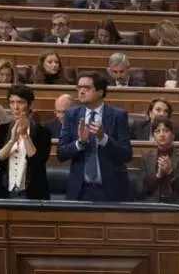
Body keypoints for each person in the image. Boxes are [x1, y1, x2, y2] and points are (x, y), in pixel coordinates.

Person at [57, 71, 133, 202]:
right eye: (79, 88)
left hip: (111, 191)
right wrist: (80, 142)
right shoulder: (71, 115)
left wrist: (103, 138)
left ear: (100, 92)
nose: (81, 92)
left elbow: (126, 155)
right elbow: (61, 154)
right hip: (80, 191)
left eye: (86, 88)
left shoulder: (118, 115)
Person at [0, 84, 52, 199]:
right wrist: (12, 141)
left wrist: (25, 136)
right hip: (5, 193)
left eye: (20, 102)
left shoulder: (43, 132)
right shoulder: (2, 130)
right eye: (12, 102)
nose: (16, 107)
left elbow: (38, 163)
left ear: (29, 105)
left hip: (33, 194)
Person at [139, 117, 179, 204]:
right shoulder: (146, 157)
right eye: (157, 131)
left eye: (166, 131)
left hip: (177, 205)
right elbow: (141, 189)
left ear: (173, 135)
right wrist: (158, 176)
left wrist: (171, 172)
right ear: (153, 136)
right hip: (153, 205)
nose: (162, 134)